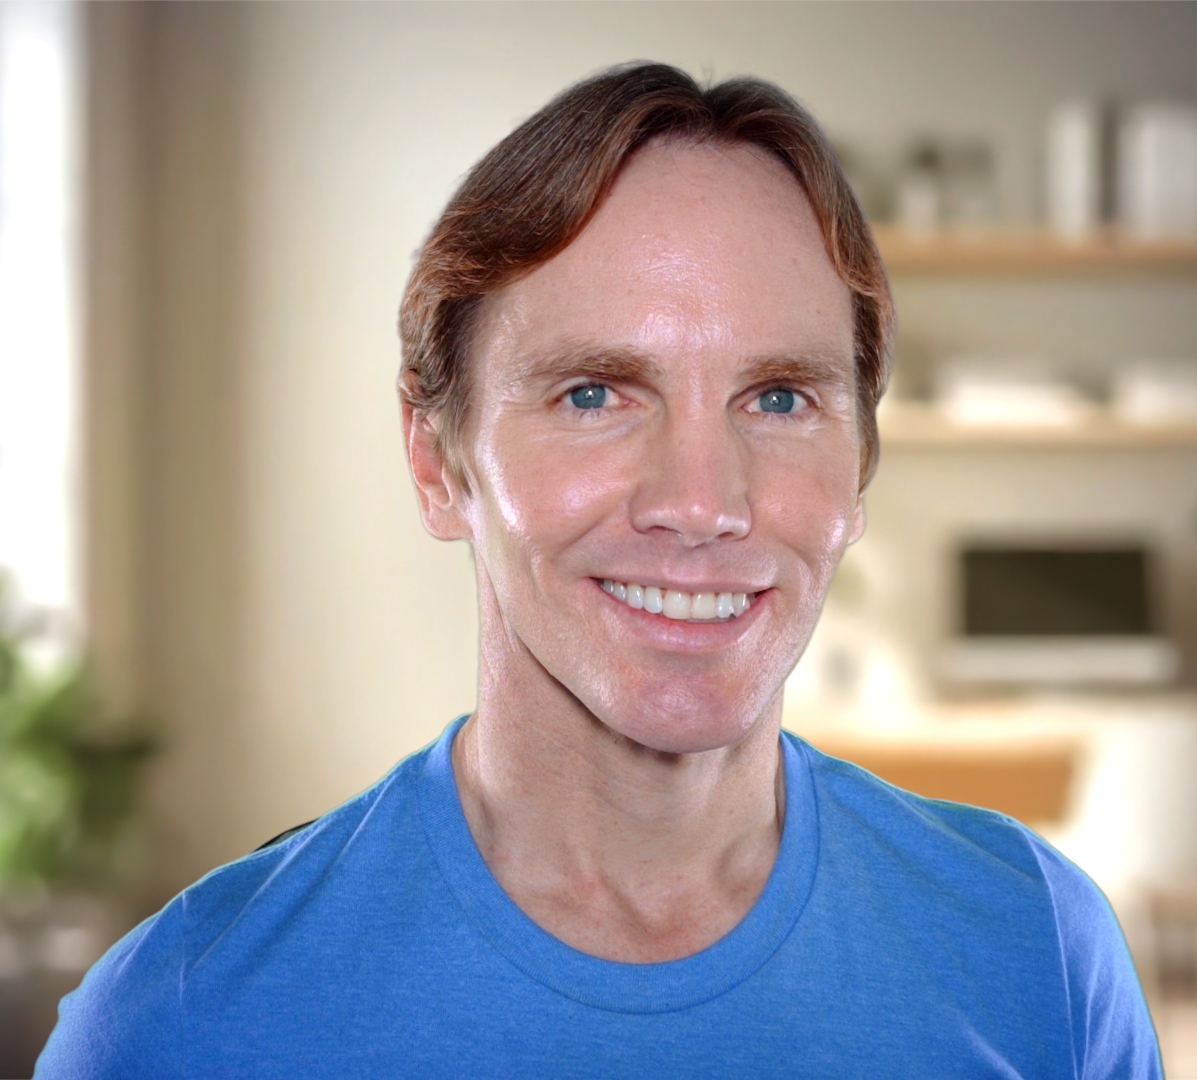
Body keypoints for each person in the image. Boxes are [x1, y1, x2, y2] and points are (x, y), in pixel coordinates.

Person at [37, 62, 1160, 1078]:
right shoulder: (179, 1024)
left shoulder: (1040, 958)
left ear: (860, 462)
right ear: (437, 460)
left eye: (778, 397)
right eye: (594, 394)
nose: (703, 502)